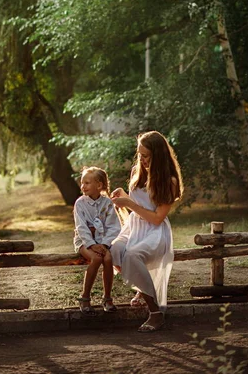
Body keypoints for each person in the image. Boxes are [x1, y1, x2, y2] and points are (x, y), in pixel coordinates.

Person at [110, 131, 183, 332]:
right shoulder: (137, 171)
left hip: (155, 231)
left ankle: (155, 313)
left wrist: (129, 204)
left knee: (132, 256)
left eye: (147, 156)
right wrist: (124, 198)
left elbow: (156, 217)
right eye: (140, 155)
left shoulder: (169, 181)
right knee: (115, 250)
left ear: (158, 155)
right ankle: (143, 289)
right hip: (134, 226)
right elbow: (138, 204)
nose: (142, 160)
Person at [73, 166, 121, 315]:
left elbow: (114, 226)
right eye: (82, 182)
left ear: (99, 185)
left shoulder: (107, 203)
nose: (83, 186)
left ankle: (107, 297)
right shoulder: (80, 203)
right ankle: (85, 297)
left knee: (107, 258)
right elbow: (81, 227)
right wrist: (92, 245)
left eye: (87, 183)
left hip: (103, 241)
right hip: (84, 241)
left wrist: (105, 244)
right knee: (96, 259)